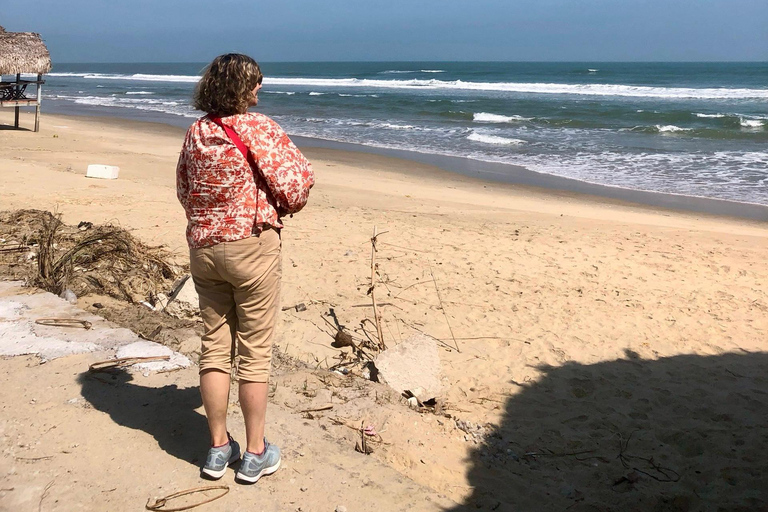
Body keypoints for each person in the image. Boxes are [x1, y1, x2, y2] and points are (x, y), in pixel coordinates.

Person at [176, 53, 314, 483]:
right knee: (254, 353)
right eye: (254, 83)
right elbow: (296, 183)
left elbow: (184, 188)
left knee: (214, 347)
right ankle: (255, 452)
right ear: (241, 88)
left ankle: (218, 449)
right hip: (251, 246)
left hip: (204, 247)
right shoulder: (259, 128)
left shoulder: (197, 132)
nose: (259, 90)